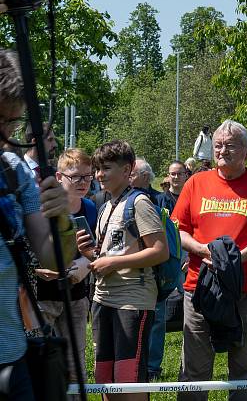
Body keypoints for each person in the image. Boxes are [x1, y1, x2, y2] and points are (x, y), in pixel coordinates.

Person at [173, 120, 247, 401]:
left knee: (246, 371)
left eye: (231, 145)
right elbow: (177, 228)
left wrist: (234, 259)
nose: (222, 150)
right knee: (194, 370)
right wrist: (202, 250)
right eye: (219, 145)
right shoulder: (196, 182)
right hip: (200, 287)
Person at [0, 48, 70, 400]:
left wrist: (61, 219)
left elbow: (53, 259)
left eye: (11, 122)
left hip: (12, 358)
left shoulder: (13, 171)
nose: (4, 134)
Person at [75, 140, 168, 401]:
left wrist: (112, 263)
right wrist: (89, 254)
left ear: (127, 170)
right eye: (97, 169)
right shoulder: (105, 206)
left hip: (132, 301)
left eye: (106, 168)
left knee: (129, 377)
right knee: (105, 376)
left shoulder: (139, 203)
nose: (98, 175)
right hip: (102, 299)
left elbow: (160, 251)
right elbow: (110, 254)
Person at [35, 148, 97, 392]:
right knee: (43, 359)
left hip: (76, 294)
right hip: (42, 295)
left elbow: (93, 250)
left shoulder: (91, 207)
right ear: (59, 177)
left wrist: (80, 266)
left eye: (88, 176)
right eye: (76, 176)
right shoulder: (44, 207)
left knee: (76, 362)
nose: (83, 182)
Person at [150, 159, 190, 380]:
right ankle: (154, 365)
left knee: (191, 308)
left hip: (188, 255)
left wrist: (189, 256)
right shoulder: (160, 199)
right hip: (169, 258)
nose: (175, 177)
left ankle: (188, 356)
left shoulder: (191, 195)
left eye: (179, 174)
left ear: (185, 174)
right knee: (160, 310)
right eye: (172, 174)